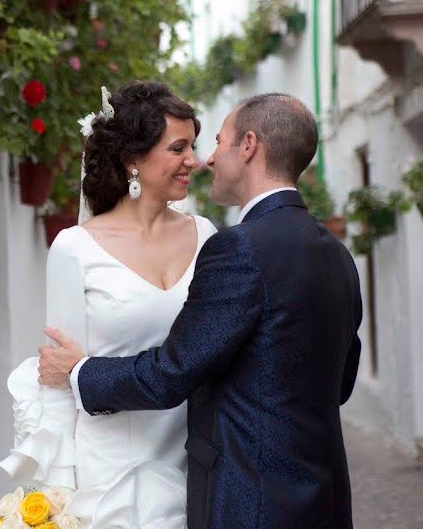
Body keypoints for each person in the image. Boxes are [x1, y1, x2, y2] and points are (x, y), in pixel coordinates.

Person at [39, 92, 363, 528]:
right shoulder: (336, 254)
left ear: (248, 146)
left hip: (239, 492)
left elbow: (174, 372)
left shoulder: (226, 245)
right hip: (311, 494)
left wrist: (79, 372)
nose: (203, 159)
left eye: (212, 142)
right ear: (132, 159)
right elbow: (337, 382)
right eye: (180, 147)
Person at [0, 81, 216, 528]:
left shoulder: (207, 236)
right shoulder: (75, 249)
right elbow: (57, 381)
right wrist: (57, 502)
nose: (192, 161)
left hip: (193, 466)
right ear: (133, 160)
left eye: (192, 147)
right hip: (107, 481)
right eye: (178, 148)